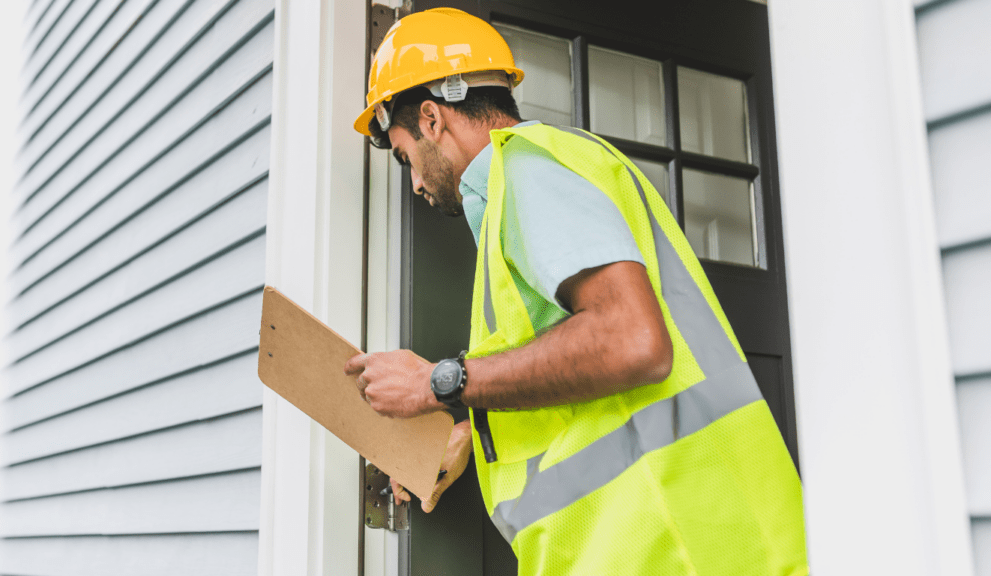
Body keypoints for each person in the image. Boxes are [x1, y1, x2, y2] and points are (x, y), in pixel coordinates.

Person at [344, 7, 808, 576]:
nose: (414, 181)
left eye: (404, 156)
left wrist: (438, 383)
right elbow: (572, 358)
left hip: (674, 547)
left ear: (433, 118)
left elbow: (633, 341)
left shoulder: (528, 172)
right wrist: (473, 430)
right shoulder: (540, 180)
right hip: (683, 540)